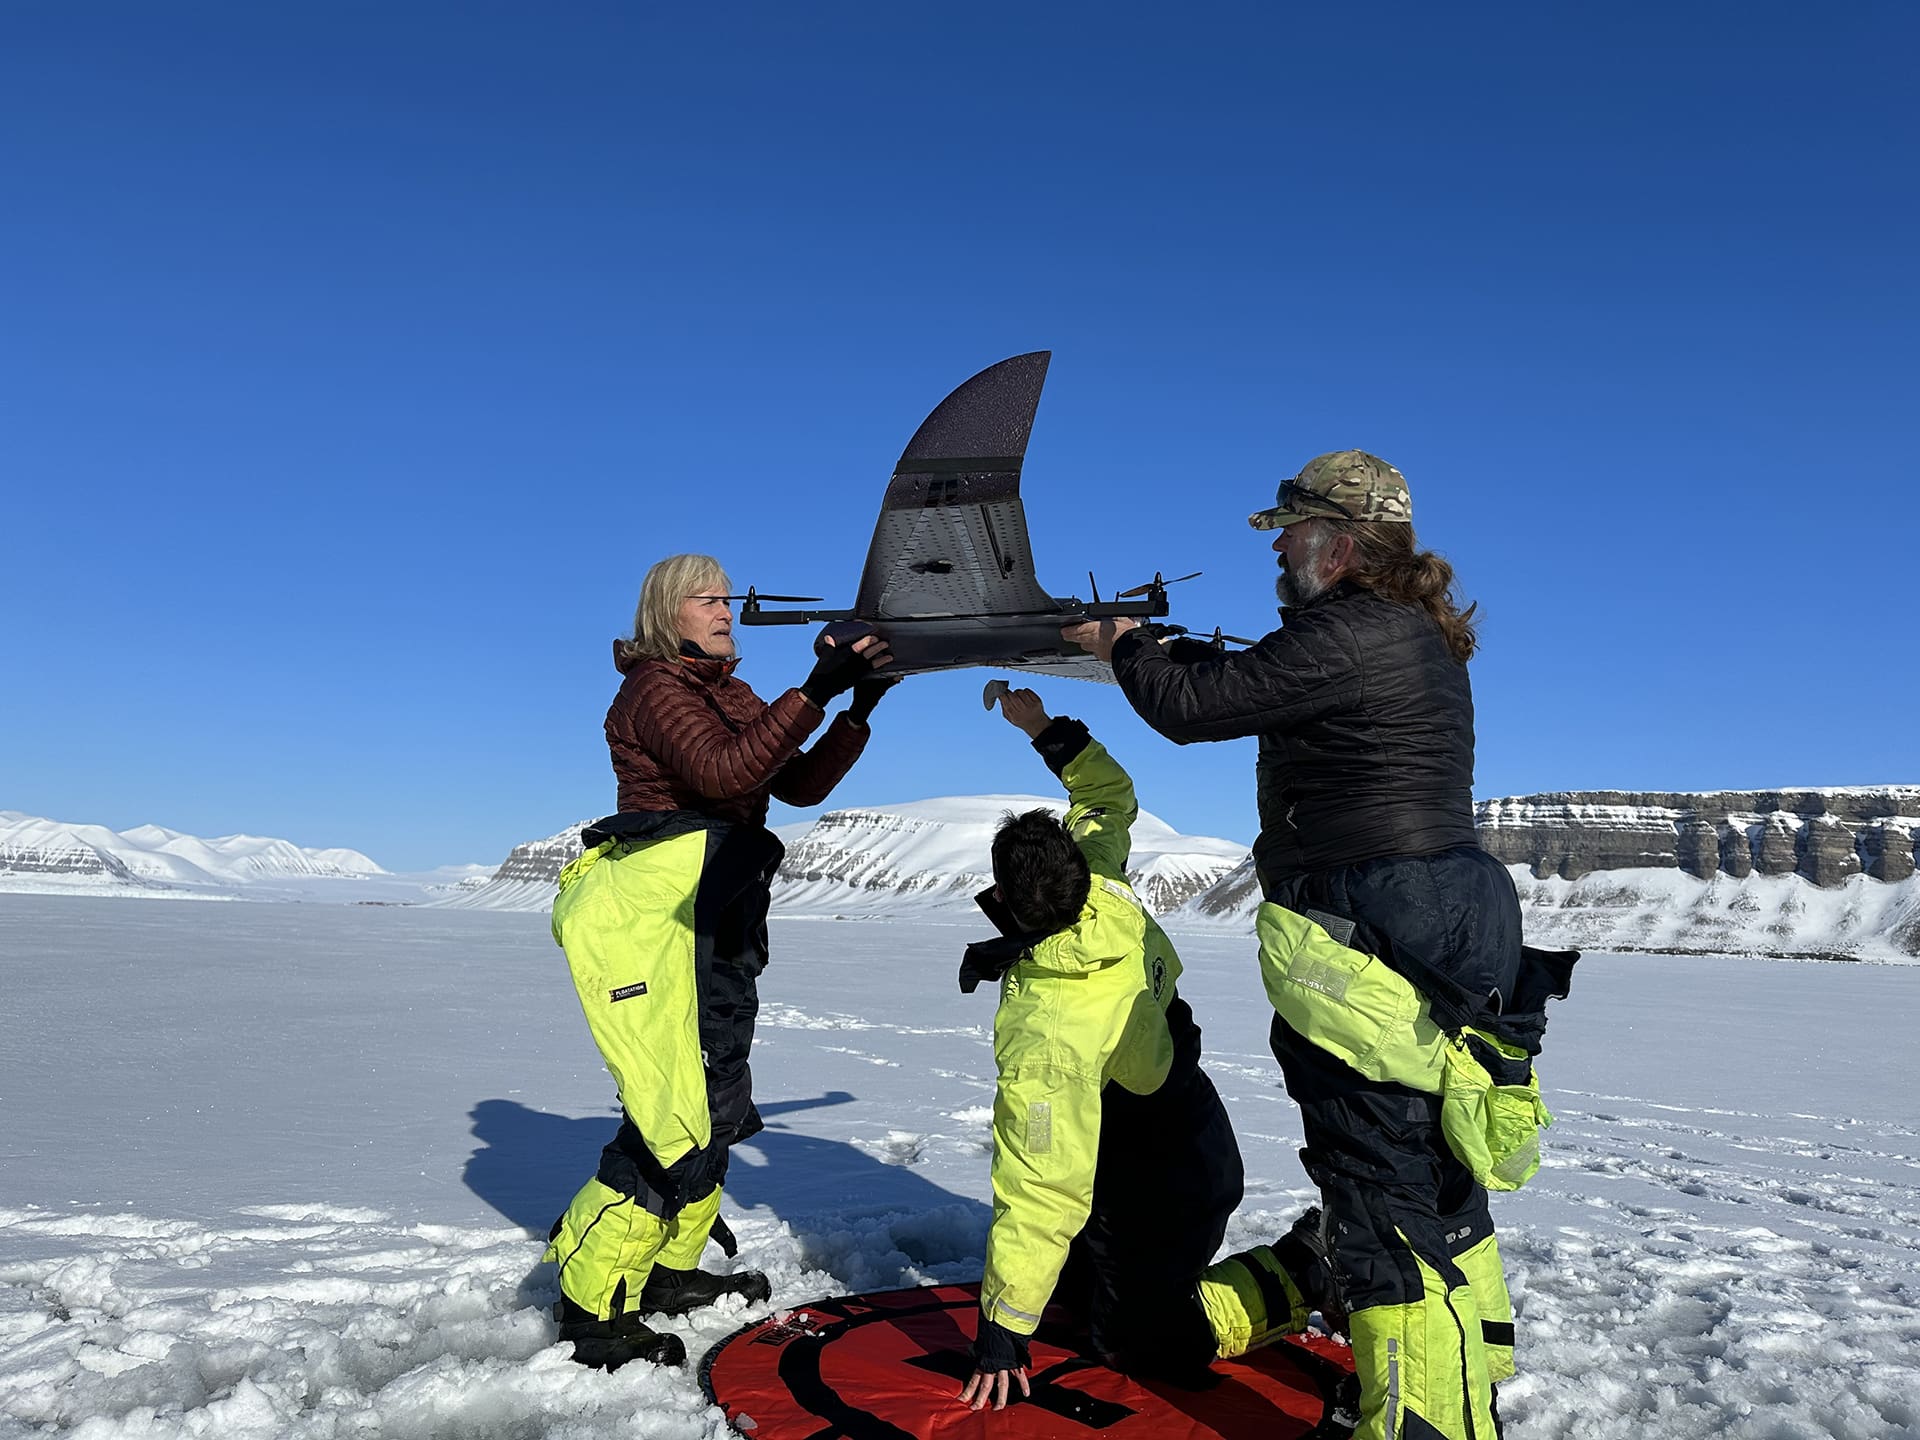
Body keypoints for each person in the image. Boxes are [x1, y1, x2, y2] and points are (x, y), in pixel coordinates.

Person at [1065, 452, 1566, 1440]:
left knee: (1382, 1187)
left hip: (1368, 918)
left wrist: (1125, 648)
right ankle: (1447, 1383)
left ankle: (1419, 1422)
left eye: (1288, 532)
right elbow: (1249, 681)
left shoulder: (1353, 631)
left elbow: (1193, 708)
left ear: (1339, 543)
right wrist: (1159, 648)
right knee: (1429, 1171)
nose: (1277, 552)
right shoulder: (1397, 632)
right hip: (1438, 906)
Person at [543, 552, 895, 1371]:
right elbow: (720, 770)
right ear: (669, 609)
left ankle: (668, 1272)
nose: (726, 606)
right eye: (707, 596)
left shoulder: (730, 691)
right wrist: (816, 687)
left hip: (721, 916)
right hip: (657, 922)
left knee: (720, 1100)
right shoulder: (654, 690)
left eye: (727, 594)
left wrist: (857, 708)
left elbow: (794, 784)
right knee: (671, 1115)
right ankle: (590, 1302)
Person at [958, 686, 1300, 1411]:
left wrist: (1003, 1326)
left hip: (1171, 1180)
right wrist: (1044, 728)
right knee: (1077, 1295)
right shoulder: (1102, 881)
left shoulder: (1050, 1030)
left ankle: (1308, 1266)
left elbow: (1042, 1181)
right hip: (1171, 1129)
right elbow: (1108, 796)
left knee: (1136, 1340)